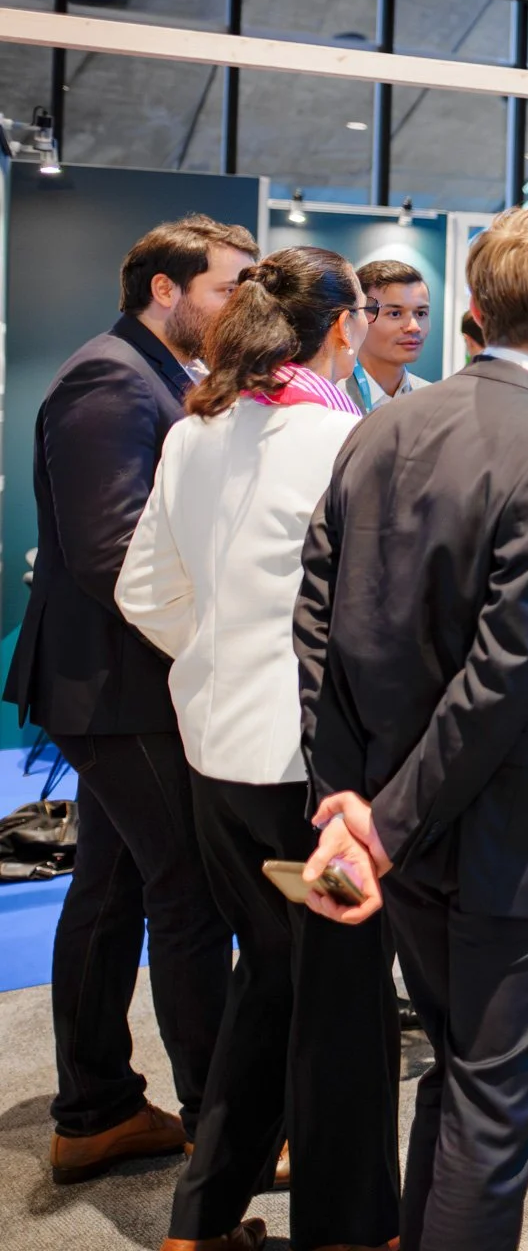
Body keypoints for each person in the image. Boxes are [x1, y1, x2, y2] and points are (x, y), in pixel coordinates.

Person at [294, 207, 528, 1251]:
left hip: (396, 813)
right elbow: (506, 671)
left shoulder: (376, 422)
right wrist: (379, 819)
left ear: (471, 310)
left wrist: (347, 795)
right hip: (505, 833)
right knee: (494, 1096)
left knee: (456, 1072)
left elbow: (318, 620)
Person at [116, 246, 397, 1251]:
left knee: (271, 980)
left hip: (216, 752)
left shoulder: (197, 431)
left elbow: (142, 592)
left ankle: (202, 1218)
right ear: (340, 325)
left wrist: (218, 656)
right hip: (313, 774)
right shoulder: (344, 435)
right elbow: (378, 620)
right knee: (343, 1005)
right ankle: (351, 1229)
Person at [3, 215, 256, 1186]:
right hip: (115, 685)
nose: (241, 305)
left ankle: (95, 1108)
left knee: (109, 893)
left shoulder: (149, 372)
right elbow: (111, 554)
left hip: (123, 683)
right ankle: (219, 1126)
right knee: (186, 887)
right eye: (228, 285)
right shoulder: (111, 378)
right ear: (166, 287)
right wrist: (215, 650)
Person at [341, 258, 430, 410]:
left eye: (421, 313)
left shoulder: (432, 400)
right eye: (395, 313)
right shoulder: (332, 400)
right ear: (357, 318)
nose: (414, 327)